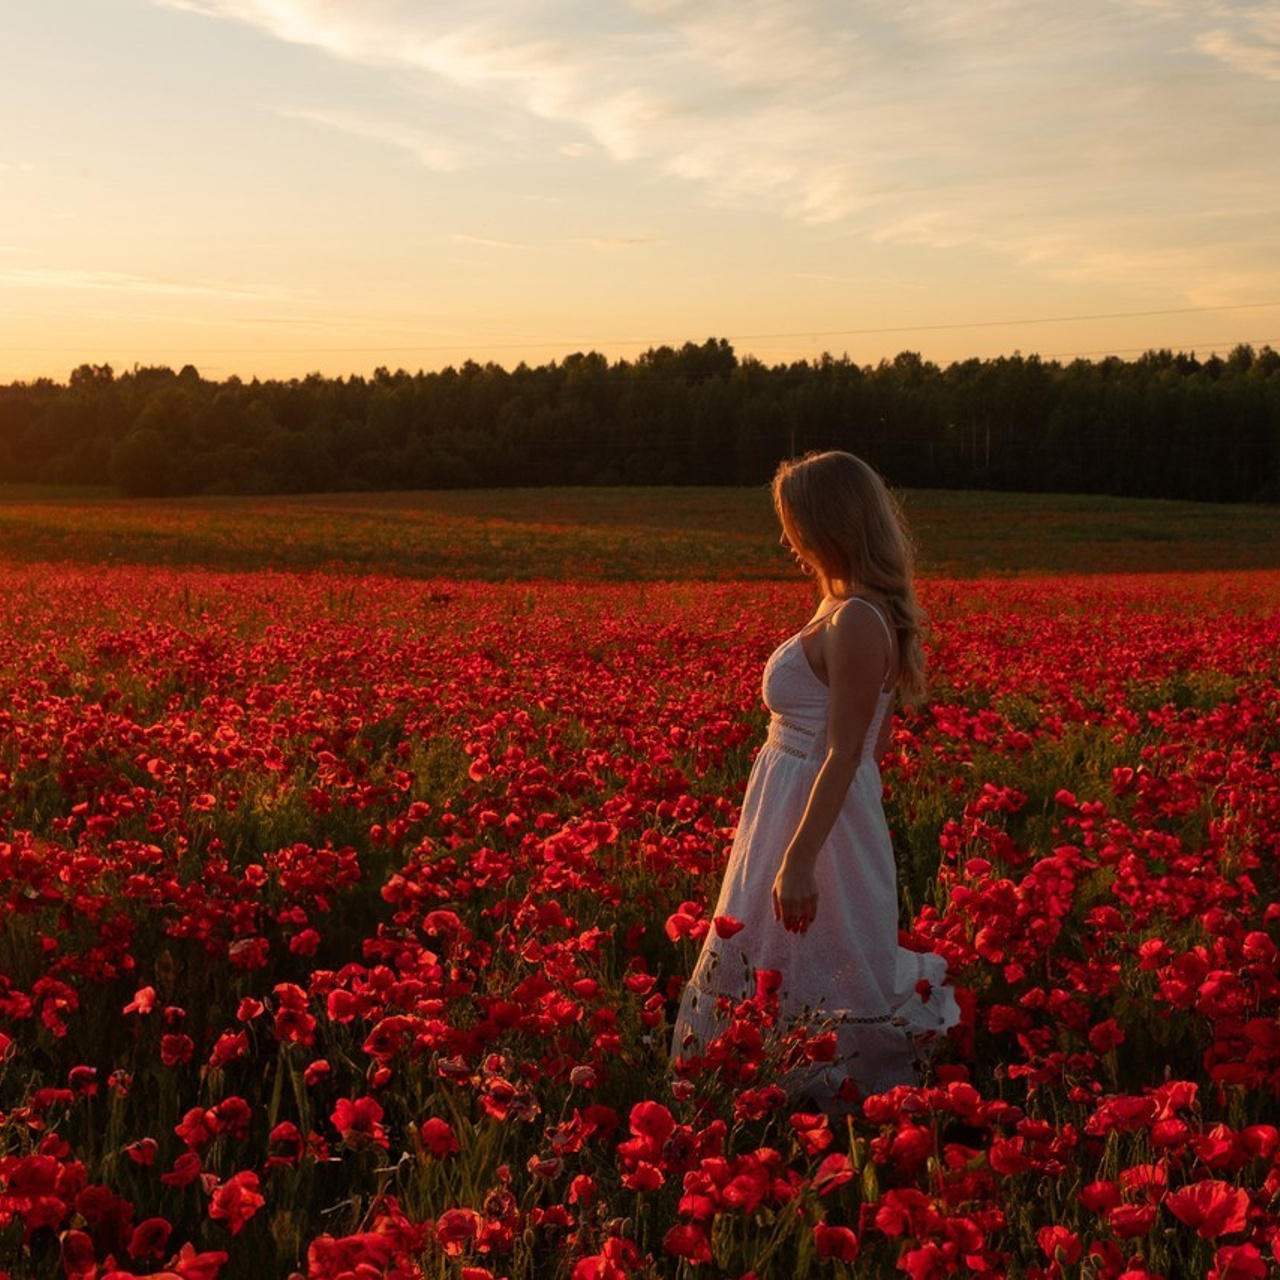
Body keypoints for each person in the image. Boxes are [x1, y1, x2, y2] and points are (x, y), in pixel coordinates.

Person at [670, 450, 958, 1106]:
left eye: (793, 523)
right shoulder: (843, 608)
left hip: (810, 821)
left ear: (827, 524)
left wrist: (800, 857)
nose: (785, 540)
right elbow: (876, 738)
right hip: (798, 807)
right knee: (792, 967)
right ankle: (779, 1099)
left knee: (812, 963)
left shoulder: (855, 618)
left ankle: (816, 1111)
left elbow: (848, 750)